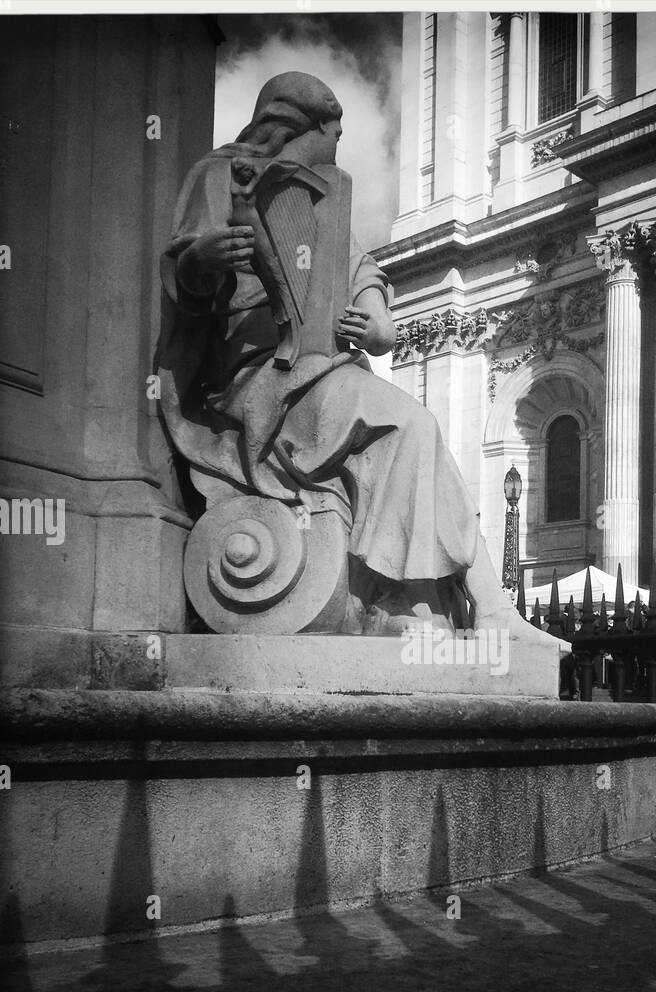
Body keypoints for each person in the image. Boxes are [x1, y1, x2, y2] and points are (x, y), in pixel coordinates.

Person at [157, 71, 551, 642]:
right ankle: (449, 608)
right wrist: (204, 258)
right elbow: (182, 280)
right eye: (333, 135)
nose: (336, 149)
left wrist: (377, 324)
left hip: (323, 372)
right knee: (409, 423)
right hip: (257, 381)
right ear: (300, 125)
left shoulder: (326, 199)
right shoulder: (222, 174)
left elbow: (365, 281)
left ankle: (450, 606)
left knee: (412, 428)